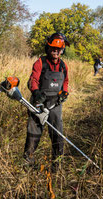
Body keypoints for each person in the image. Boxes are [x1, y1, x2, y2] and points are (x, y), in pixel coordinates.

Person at [24, 32, 70, 172]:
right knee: (34, 132)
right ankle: (28, 162)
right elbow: (34, 80)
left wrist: (64, 93)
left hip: (55, 104)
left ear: (62, 50)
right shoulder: (40, 62)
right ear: (48, 48)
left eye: (58, 49)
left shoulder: (63, 66)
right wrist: (36, 92)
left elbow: (66, 82)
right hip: (39, 102)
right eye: (53, 49)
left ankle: (57, 165)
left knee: (57, 133)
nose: (55, 51)